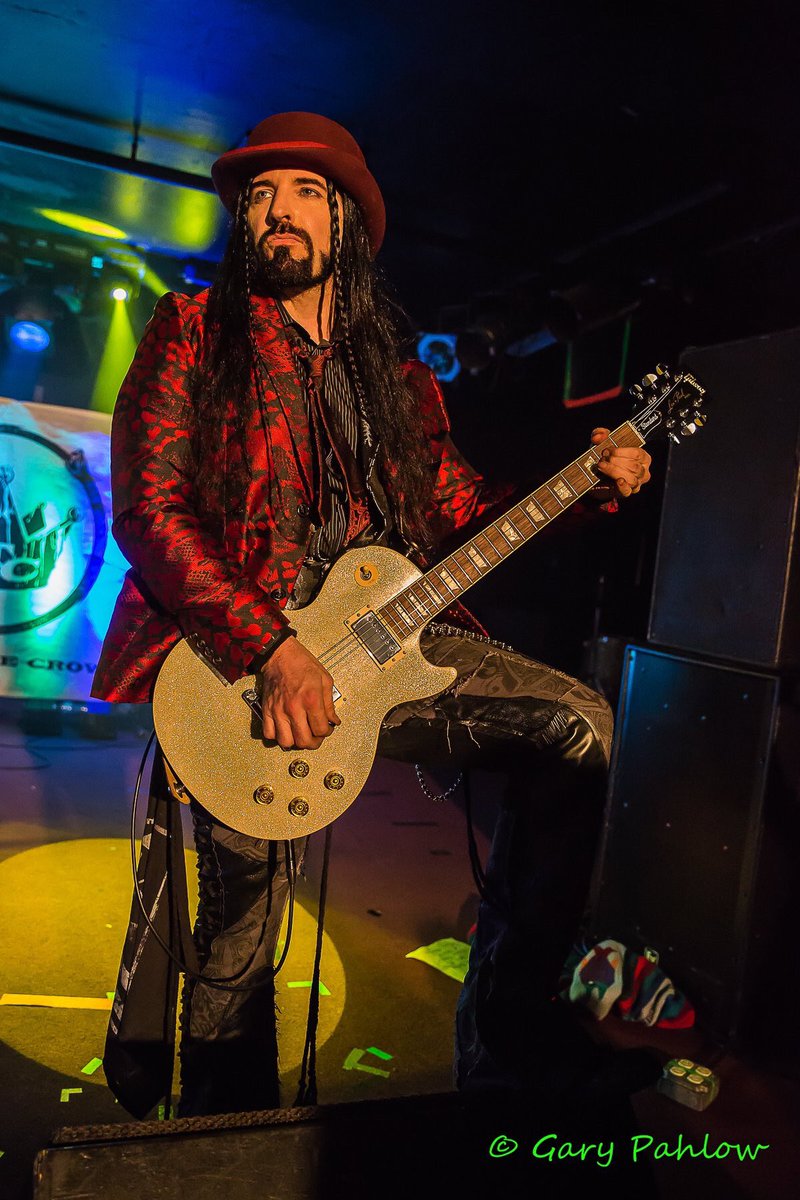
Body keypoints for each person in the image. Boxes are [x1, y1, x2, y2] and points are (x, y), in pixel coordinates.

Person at [92, 112, 653, 1119]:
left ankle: (512, 1045)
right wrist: (272, 648)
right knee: (237, 939)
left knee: (578, 729)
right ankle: (227, 1136)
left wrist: (585, 487)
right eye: (258, 196)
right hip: (242, 664)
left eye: (304, 192)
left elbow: (463, 514)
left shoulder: (398, 381)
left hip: (388, 649)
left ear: (347, 221)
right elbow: (149, 508)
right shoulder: (193, 332)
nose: (277, 211)